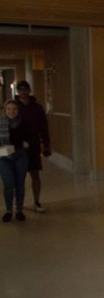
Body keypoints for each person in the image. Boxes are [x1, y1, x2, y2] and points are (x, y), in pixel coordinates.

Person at [14, 80, 51, 213]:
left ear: (29, 90)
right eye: (20, 90)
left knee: (35, 174)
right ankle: (19, 203)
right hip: (18, 146)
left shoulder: (36, 108)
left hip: (34, 144)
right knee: (19, 175)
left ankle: (36, 201)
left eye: (25, 89)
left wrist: (46, 144)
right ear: (18, 91)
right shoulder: (14, 107)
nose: (23, 92)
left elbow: (44, 128)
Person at [0, 100, 29, 222]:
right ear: (5, 110)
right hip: (4, 156)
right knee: (8, 182)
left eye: (14, 109)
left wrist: (26, 143)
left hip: (20, 155)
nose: (12, 111)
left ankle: (19, 210)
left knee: (20, 183)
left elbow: (29, 136)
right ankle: (8, 210)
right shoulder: (1, 123)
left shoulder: (22, 122)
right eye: (9, 109)